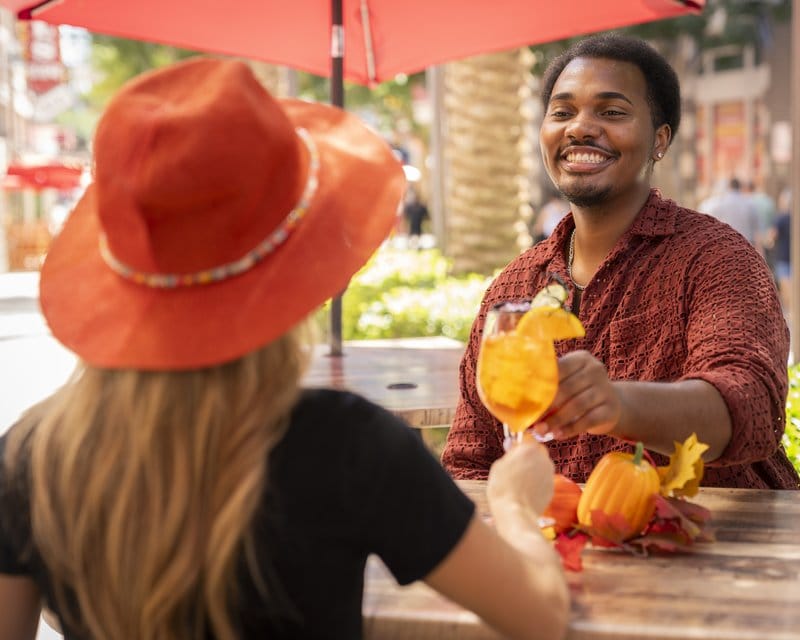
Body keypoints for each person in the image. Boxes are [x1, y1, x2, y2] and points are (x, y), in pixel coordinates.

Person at [0, 58, 569, 640]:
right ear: (297, 266)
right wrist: (518, 506)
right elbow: (540, 619)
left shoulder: (30, 458)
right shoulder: (352, 449)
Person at [442, 34, 799, 490]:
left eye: (611, 112)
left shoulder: (716, 258)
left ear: (660, 140)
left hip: (716, 544)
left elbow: (751, 405)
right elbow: (470, 462)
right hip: (565, 552)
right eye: (562, 112)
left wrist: (618, 405)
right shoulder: (512, 290)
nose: (580, 128)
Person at [699, 177, 762, 253]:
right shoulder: (750, 204)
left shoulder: (718, 204)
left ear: (729, 187)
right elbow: (756, 231)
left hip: (726, 248)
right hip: (746, 248)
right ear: (740, 187)